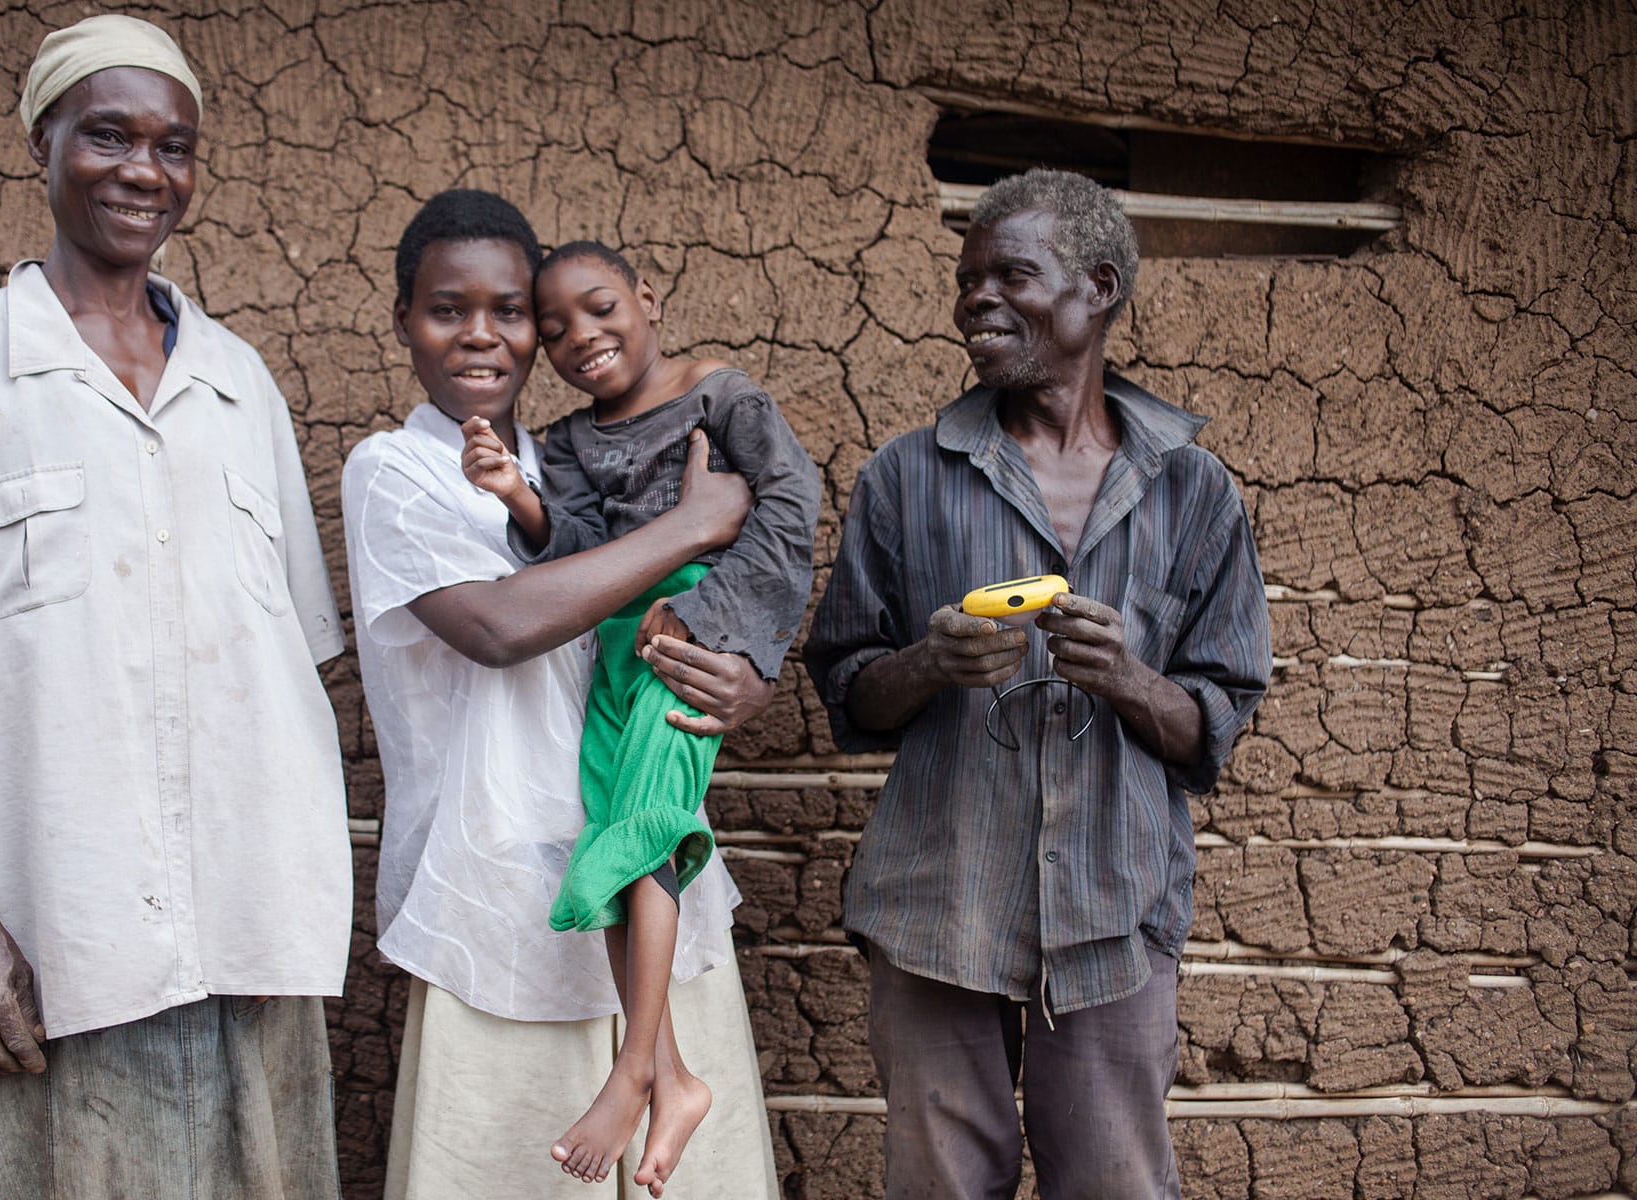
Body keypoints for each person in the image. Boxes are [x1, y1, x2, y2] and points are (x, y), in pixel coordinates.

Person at [0, 16, 347, 1198]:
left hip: (248, 922)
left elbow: (286, 667)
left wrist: (297, 888)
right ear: (41, 141)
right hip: (61, 926)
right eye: (107, 135)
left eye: (174, 146)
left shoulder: (236, 380)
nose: (143, 171)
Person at [804, 168, 1271, 1199]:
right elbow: (843, 693)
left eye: (1010, 273)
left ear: (1096, 287)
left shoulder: (1193, 488)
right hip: (937, 902)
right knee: (937, 1185)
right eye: (966, 278)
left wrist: (1129, 680)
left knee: (1114, 1183)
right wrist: (931, 663)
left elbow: (1215, 725)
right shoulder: (905, 473)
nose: (976, 297)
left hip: (1115, 904)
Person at [341, 189, 783, 1199]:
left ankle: (656, 1073)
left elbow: (694, 598)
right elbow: (498, 627)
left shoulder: (575, 464)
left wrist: (742, 677)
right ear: (402, 323)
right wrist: (686, 525)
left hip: (645, 873)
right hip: (493, 903)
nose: (479, 336)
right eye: (445, 310)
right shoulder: (394, 472)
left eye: (507, 312)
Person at [460, 239, 818, 1186]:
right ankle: (678, 1079)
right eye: (556, 327)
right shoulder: (573, 442)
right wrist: (522, 502)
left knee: (650, 827)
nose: (582, 337)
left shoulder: (720, 395)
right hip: (616, 654)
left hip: (692, 646)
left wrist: (709, 619)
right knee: (613, 833)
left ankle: (633, 1073)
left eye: (601, 307)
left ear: (648, 298)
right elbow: (579, 546)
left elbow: (788, 507)